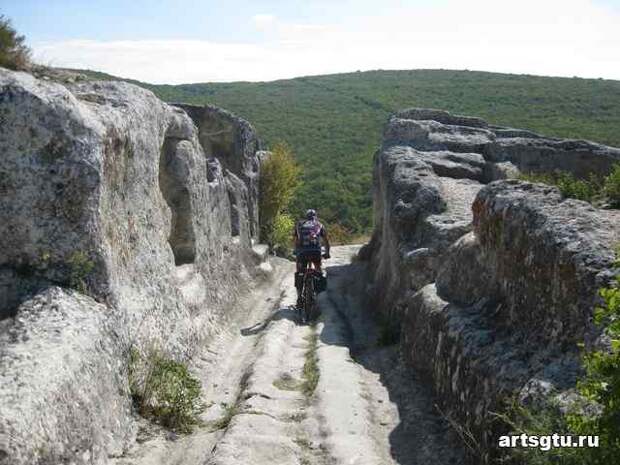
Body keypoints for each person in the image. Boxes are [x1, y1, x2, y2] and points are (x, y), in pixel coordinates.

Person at [293, 209, 330, 308]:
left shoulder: (299, 224)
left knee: (299, 271)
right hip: (316, 252)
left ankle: (299, 297)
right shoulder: (319, 224)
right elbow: (326, 241)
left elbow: (296, 241)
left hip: (302, 252)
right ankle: (320, 294)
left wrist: (295, 251)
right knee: (318, 269)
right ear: (315, 217)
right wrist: (327, 253)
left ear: (306, 217)